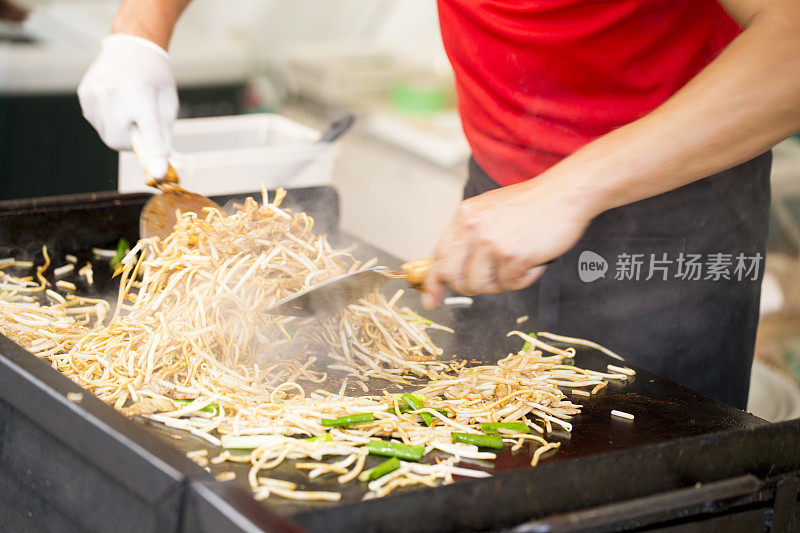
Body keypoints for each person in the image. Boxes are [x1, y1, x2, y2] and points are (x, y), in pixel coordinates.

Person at [78, 0, 800, 409]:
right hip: (498, 204)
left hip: (673, 228)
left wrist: (572, 189)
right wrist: (141, 31)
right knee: (493, 471)